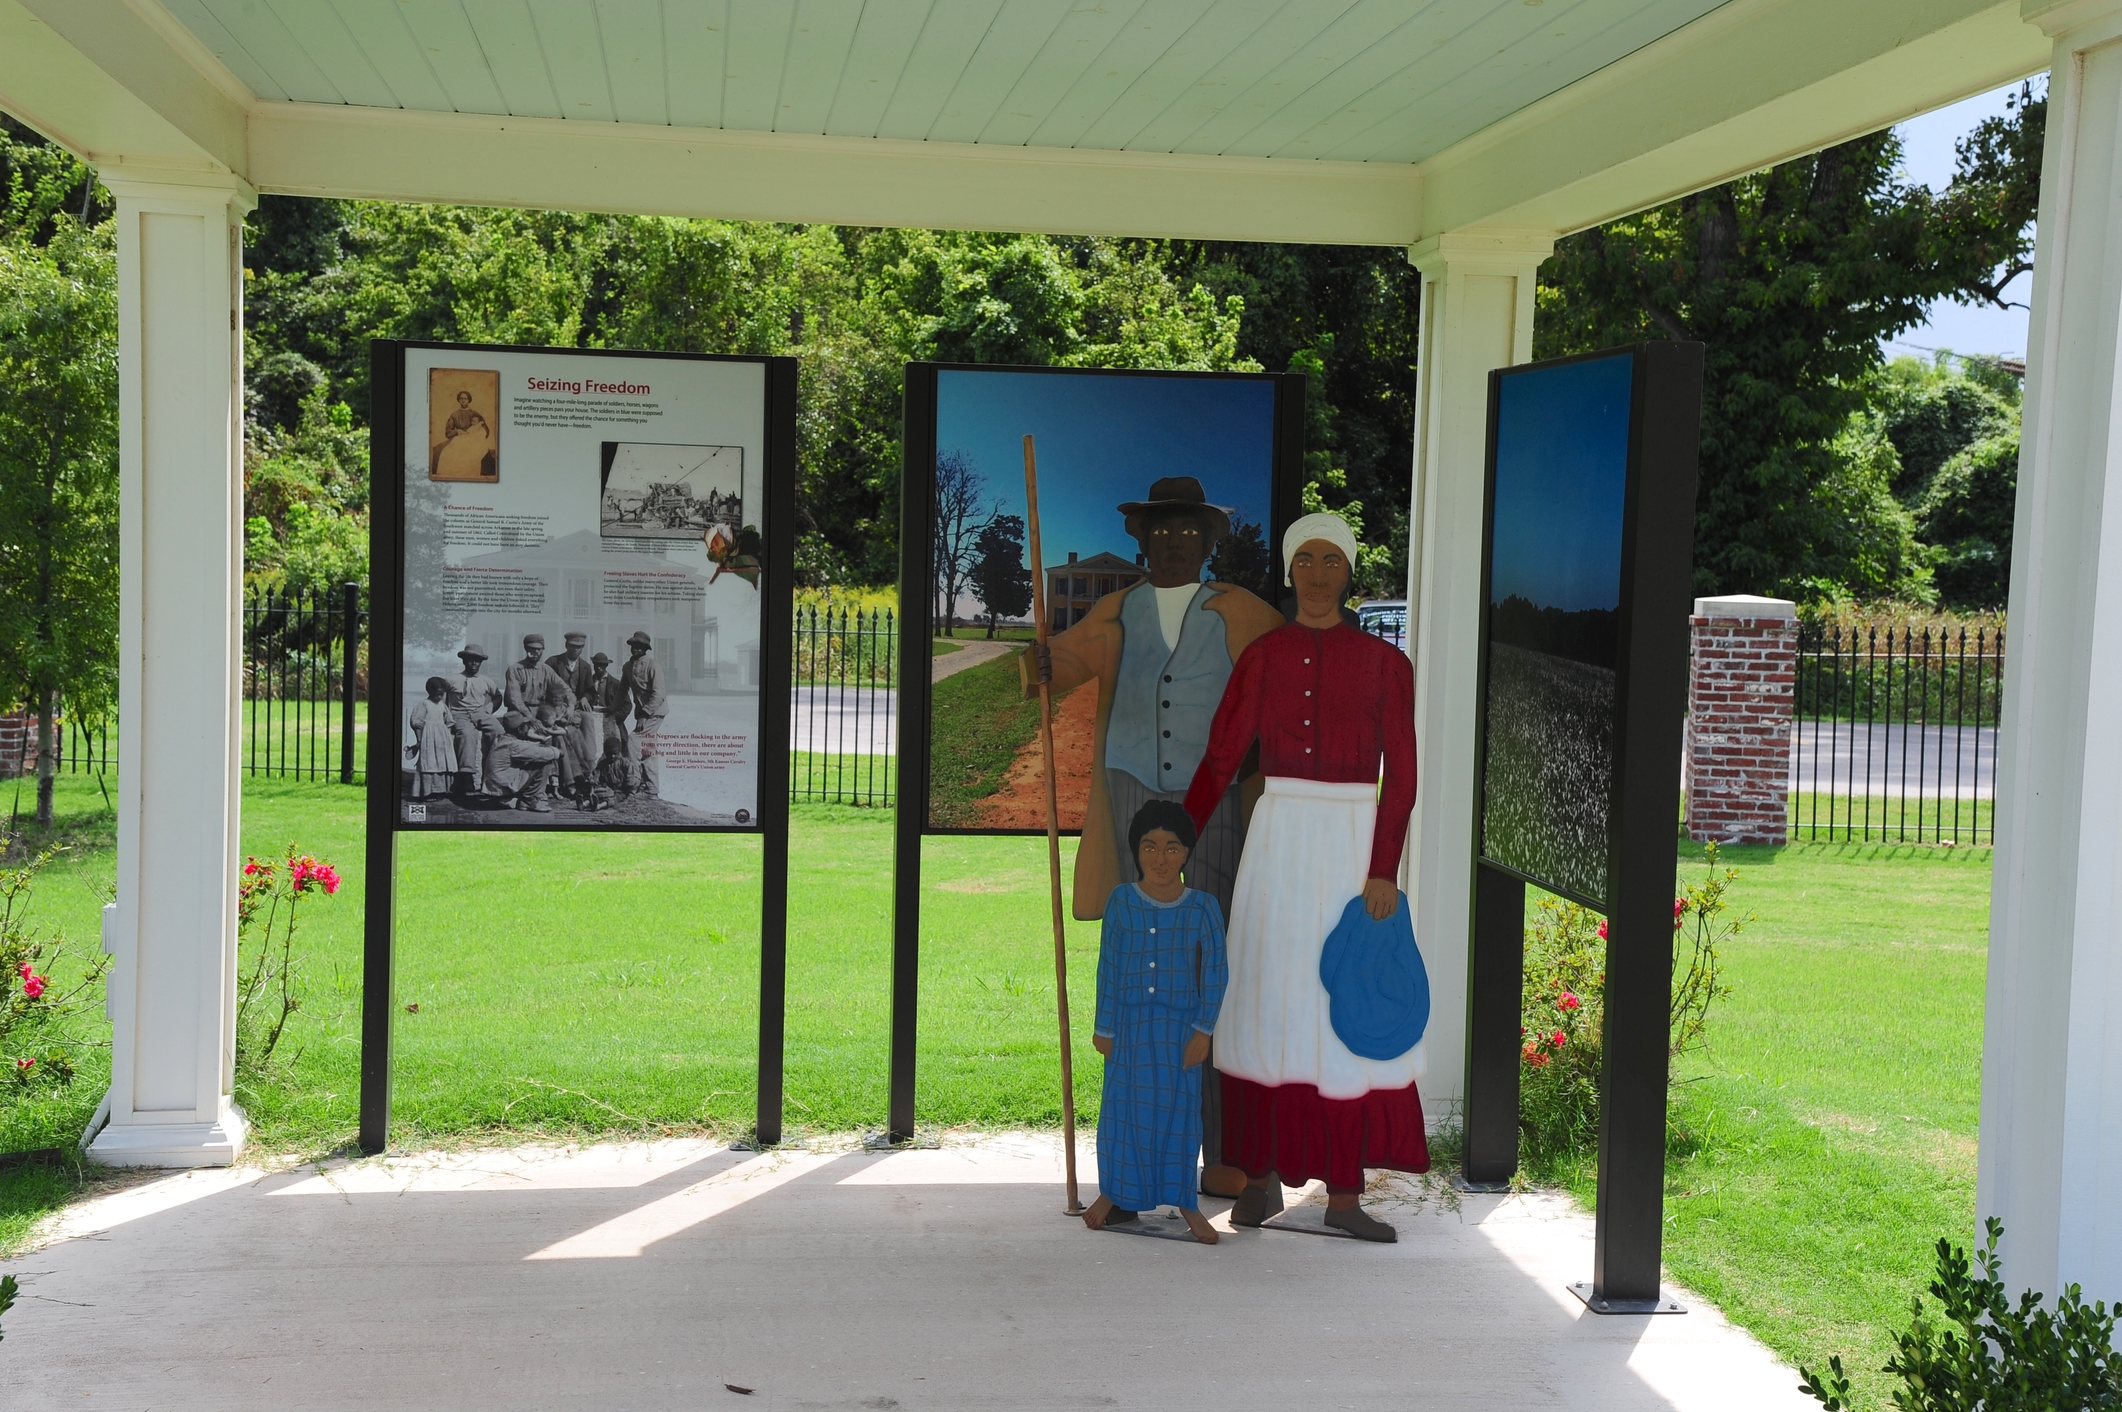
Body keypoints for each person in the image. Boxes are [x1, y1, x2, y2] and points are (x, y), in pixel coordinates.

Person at [1027, 476, 1281, 1193]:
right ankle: (1138, 1153)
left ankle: (1224, 1152)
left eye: (1186, 534)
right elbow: (1067, 659)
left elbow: (1288, 672)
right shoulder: (1118, 609)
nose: (1172, 544)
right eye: (1160, 533)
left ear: (1207, 541)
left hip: (1216, 803)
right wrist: (1045, 661)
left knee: (1210, 965)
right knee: (1143, 965)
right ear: (1141, 540)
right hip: (1132, 789)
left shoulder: (1240, 611)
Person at [1183, 511, 1425, 1243]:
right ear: (1289, 571)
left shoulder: (1388, 666)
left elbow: (1404, 779)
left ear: (1350, 572)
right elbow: (1223, 755)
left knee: (1339, 1007)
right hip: (1279, 839)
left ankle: (1344, 1194)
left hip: (1352, 846)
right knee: (1267, 995)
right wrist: (1171, 842)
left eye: (1332, 561)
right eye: (1306, 561)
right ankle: (1258, 1181)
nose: (1318, 575)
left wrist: (1383, 868)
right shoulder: (1264, 657)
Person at [1085, 800, 1229, 1246]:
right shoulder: (1122, 902)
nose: (1160, 858)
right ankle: (1113, 1194)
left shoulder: (1202, 907)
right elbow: (1108, 967)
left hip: (1179, 1031)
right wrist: (1104, 1027)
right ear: (1136, 850)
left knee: (1179, 1116)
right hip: (1128, 1029)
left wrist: (1204, 1029)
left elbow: (1216, 972)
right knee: (1121, 1116)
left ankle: (1185, 1202)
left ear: (1186, 852)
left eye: (1171, 848)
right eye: (1149, 847)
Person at [542, 631, 600, 803]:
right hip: (555, 705)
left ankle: (590, 763)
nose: (576, 650)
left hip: (574, 707)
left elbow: (590, 691)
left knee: (588, 719)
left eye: (580, 647)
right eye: (573, 646)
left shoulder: (585, 666)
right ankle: (575, 777)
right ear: (566, 645)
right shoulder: (553, 662)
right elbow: (544, 686)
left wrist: (584, 698)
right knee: (569, 731)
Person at [442, 645, 505, 794]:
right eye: (470, 661)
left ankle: (494, 771)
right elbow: (441, 699)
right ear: (464, 661)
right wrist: (445, 717)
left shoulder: (486, 680)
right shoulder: (452, 679)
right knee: (467, 734)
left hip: (480, 713)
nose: (474, 664)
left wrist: (489, 708)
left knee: (498, 731)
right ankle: (466, 776)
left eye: (477, 661)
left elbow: (497, 696)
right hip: (459, 714)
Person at [621, 630, 668, 797]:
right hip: (642, 714)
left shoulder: (653, 666)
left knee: (633, 742)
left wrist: (645, 714)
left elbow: (659, 694)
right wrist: (612, 710)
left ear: (646, 649)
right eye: (633, 646)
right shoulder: (627, 666)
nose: (635, 650)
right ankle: (651, 788)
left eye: (639, 647)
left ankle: (633, 785)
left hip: (654, 713)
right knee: (648, 750)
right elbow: (622, 691)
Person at [485, 711, 562, 812]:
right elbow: (543, 753)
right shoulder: (514, 745)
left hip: (496, 787)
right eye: (527, 727)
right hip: (504, 787)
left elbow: (526, 746)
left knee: (534, 758)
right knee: (545, 760)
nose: (528, 729)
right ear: (519, 729)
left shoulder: (502, 739)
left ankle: (513, 798)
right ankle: (528, 800)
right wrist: (557, 752)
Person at [584, 651, 633, 795]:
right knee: (590, 746)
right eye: (597, 665)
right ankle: (591, 778)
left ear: (606, 666)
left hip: (609, 717)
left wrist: (615, 717)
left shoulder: (615, 684)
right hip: (592, 716)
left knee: (611, 747)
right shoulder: (589, 681)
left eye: (602, 666)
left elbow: (627, 705)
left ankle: (614, 778)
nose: (599, 668)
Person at [407, 677, 458, 800]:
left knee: (442, 763)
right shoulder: (424, 705)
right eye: (437, 694)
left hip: (442, 739)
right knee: (429, 763)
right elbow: (416, 723)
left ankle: (440, 791)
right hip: (428, 739)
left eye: (442, 694)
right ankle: (427, 793)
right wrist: (419, 740)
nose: (439, 697)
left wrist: (449, 739)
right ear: (429, 692)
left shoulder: (442, 706)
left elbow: (449, 722)